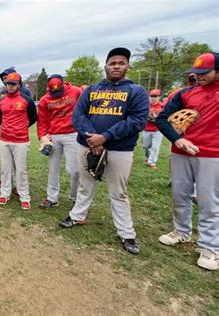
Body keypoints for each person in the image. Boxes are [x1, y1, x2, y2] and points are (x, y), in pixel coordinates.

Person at [58, 47, 150, 255]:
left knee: (118, 192)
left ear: (127, 66)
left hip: (120, 149)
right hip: (88, 145)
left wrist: (105, 137)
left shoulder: (136, 91)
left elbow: (136, 121)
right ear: (106, 65)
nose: (116, 66)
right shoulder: (91, 90)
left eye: (121, 62)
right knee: (85, 184)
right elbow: (78, 117)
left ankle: (127, 233)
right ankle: (77, 215)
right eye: (112, 63)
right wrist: (94, 139)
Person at [156, 52, 219, 271]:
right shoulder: (185, 93)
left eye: (205, 73)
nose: (199, 76)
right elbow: (162, 119)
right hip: (181, 151)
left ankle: (210, 246)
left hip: (212, 153)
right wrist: (178, 139)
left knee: (208, 200)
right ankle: (181, 231)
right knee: (179, 194)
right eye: (197, 72)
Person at [37, 74, 82, 208]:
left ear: (64, 84)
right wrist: (43, 137)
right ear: (48, 89)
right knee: (53, 169)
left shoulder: (76, 91)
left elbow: (84, 110)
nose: (56, 94)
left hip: (72, 133)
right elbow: (42, 121)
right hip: (54, 135)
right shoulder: (45, 100)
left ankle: (75, 197)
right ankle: (52, 197)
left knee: (74, 170)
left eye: (58, 91)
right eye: (53, 92)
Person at [0, 72, 37, 209]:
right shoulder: (1, 101)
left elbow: (33, 117)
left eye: (13, 84)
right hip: (5, 140)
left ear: (19, 85)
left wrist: (22, 127)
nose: (10, 86)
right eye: (8, 83)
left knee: (21, 170)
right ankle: (4, 193)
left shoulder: (27, 100)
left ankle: (24, 196)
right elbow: (1, 120)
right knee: (5, 169)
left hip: (21, 141)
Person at [0, 67, 32, 190]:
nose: (5, 80)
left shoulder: (24, 92)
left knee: (18, 164)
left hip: (20, 136)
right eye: (4, 79)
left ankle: (17, 185)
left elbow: (32, 115)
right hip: (6, 135)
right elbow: (1, 115)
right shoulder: (3, 93)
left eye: (6, 76)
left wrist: (21, 126)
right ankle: (7, 184)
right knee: (6, 163)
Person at [142, 88, 164, 169]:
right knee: (146, 146)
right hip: (146, 128)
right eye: (152, 96)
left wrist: (157, 119)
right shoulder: (145, 105)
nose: (153, 98)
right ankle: (148, 158)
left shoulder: (162, 106)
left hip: (157, 129)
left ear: (159, 97)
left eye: (156, 96)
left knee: (155, 147)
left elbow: (165, 116)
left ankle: (152, 162)